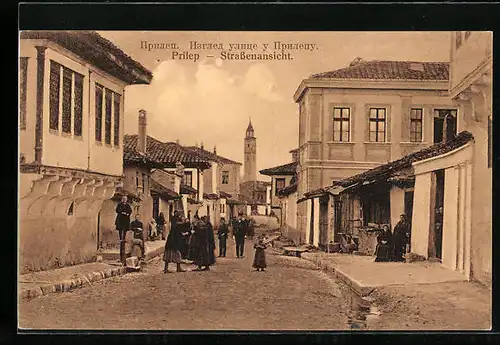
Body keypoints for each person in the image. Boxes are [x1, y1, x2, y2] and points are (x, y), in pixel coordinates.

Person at [115, 195, 132, 264]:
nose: (124, 200)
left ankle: (124, 237)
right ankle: (120, 237)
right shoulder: (119, 205)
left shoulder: (128, 205)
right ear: (122, 199)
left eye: (125, 199)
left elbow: (130, 211)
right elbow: (117, 210)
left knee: (125, 229)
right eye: (123, 199)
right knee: (120, 228)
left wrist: (127, 213)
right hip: (120, 218)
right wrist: (122, 212)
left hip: (125, 219)